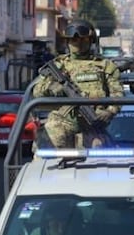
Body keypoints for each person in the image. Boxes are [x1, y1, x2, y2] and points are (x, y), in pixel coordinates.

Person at [32, 19, 123, 148]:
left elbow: (118, 94)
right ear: (68, 41)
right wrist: (53, 87)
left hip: (93, 123)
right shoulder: (58, 66)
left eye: (84, 39)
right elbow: (37, 92)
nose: (78, 43)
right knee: (49, 138)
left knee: (99, 150)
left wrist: (109, 112)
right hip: (62, 123)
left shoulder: (105, 66)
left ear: (91, 41)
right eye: (74, 40)